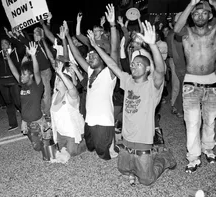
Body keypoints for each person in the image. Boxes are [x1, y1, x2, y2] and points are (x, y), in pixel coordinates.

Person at [87, 20, 177, 186]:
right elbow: (112, 64)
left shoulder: (153, 85)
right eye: (133, 64)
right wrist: (96, 46)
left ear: (147, 69)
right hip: (127, 140)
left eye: (139, 64)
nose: (134, 66)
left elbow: (161, 70)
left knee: (147, 179)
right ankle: (142, 160)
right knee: (123, 169)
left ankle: (164, 156)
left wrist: (152, 45)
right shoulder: (127, 80)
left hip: (143, 141)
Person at [174, 0, 216, 173]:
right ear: (191, 16)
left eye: (204, 13)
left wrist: (213, 2)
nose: (200, 16)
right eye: (196, 14)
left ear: (210, 15)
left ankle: (208, 148)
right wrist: (191, 4)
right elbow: (176, 28)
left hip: (211, 83)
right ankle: (193, 157)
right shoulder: (185, 32)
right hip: (191, 84)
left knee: (210, 121)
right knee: (191, 123)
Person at [67, 4, 118, 160]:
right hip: (89, 120)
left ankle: (114, 145)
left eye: (94, 56)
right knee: (90, 147)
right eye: (89, 56)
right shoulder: (89, 71)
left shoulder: (109, 72)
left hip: (104, 122)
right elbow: (77, 56)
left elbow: (114, 49)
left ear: (102, 58)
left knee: (103, 154)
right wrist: (67, 37)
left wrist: (113, 25)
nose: (90, 58)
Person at [6, 41, 52, 152]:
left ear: (30, 75)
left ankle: (48, 134)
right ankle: (46, 137)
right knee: (37, 147)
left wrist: (33, 56)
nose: (21, 76)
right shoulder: (23, 84)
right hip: (26, 122)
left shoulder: (37, 85)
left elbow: (36, 71)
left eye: (24, 74)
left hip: (37, 122)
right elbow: (13, 71)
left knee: (45, 147)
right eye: (21, 74)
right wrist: (7, 56)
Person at [50, 60, 86, 157]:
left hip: (72, 132)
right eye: (57, 79)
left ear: (66, 83)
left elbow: (71, 88)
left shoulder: (71, 96)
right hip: (60, 132)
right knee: (59, 152)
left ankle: (86, 141)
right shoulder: (55, 95)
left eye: (60, 80)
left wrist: (61, 73)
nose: (57, 81)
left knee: (72, 152)